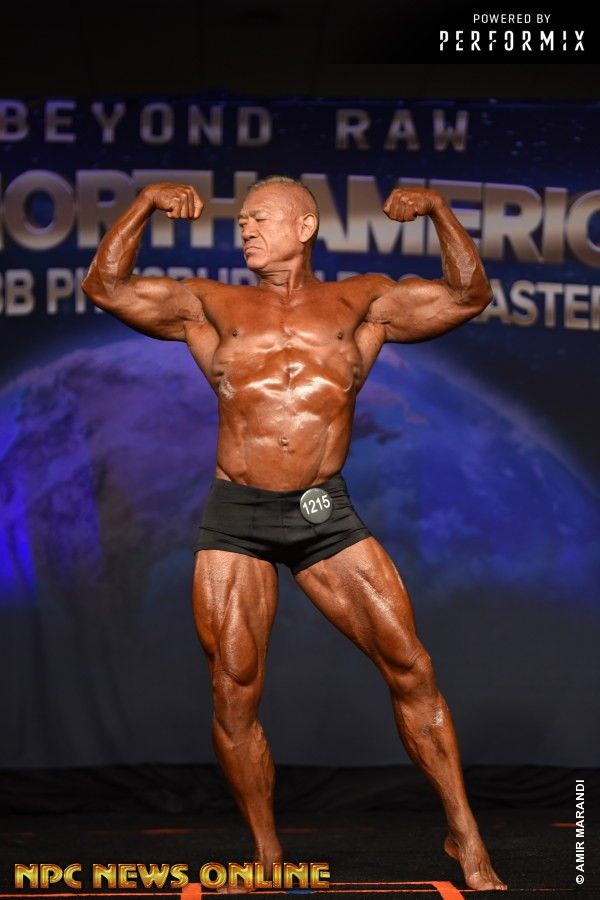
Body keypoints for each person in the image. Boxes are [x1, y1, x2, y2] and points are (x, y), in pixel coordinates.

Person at [82, 175, 507, 892]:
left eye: (258, 218)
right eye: (241, 221)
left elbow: (468, 296)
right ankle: (267, 855)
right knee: (234, 691)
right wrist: (146, 202)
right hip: (238, 517)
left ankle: (464, 832)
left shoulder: (362, 302)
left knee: (411, 666)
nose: (244, 229)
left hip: (321, 513)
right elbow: (106, 287)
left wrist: (439, 211)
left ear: (304, 226)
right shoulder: (211, 305)